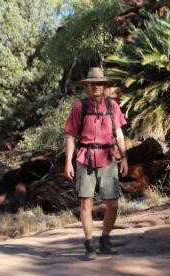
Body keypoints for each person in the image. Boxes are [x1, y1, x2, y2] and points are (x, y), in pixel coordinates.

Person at [63, 67, 129, 260]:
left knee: (113, 203)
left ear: (104, 86)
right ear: (88, 86)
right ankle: (89, 244)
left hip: (108, 158)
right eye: (92, 84)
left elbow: (119, 134)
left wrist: (124, 157)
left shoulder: (113, 107)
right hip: (85, 158)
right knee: (86, 202)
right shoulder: (79, 107)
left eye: (99, 84)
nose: (96, 87)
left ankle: (105, 240)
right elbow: (70, 137)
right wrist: (68, 163)